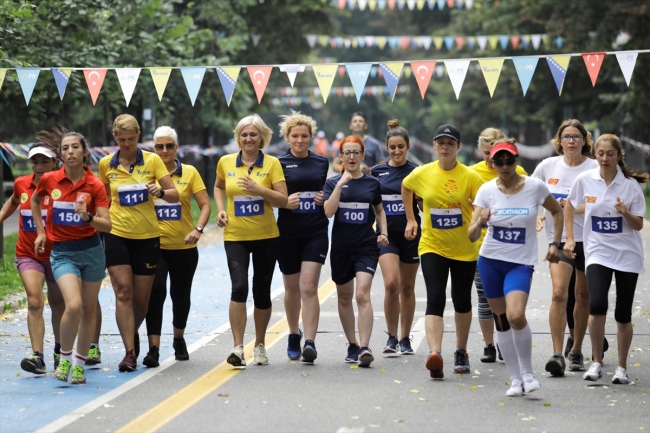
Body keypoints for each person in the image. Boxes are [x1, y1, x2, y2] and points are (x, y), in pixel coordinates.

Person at [469, 141, 563, 396]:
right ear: (492, 163)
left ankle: (528, 374)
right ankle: (514, 380)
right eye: (498, 162)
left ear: (516, 160)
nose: (504, 166)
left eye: (509, 161)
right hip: (489, 261)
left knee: (516, 316)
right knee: (501, 321)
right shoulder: (486, 190)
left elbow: (557, 211)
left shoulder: (534, 187)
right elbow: (470, 234)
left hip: (520, 263)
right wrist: (481, 221)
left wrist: (555, 243)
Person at [99, 114, 179, 372]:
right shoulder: (105, 164)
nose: (126, 144)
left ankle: (131, 334)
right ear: (115, 138)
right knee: (122, 292)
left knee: (141, 302)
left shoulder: (153, 160)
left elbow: (174, 195)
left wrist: (160, 192)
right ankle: (129, 352)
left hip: (146, 237)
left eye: (131, 139)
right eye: (121, 140)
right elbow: (102, 200)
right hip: (117, 234)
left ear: (138, 136)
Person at [565, 134, 647, 384]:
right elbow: (569, 204)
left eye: (610, 154)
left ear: (618, 156)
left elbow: (638, 224)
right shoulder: (585, 179)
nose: (604, 158)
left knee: (623, 313)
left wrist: (625, 213)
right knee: (597, 304)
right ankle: (597, 361)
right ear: (595, 154)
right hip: (597, 251)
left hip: (626, 255)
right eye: (600, 153)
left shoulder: (630, 186)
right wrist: (569, 238)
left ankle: (622, 367)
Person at [402, 124, 483, 378]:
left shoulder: (471, 177)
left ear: (458, 147)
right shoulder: (422, 173)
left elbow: (483, 205)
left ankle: (461, 351)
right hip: (432, 245)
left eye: (450, 143)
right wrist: (411, 219)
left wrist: (477, 213)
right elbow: (406, 187)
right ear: (434, 146)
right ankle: (434, 353)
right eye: (441, 143)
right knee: (435, 298)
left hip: (464, 248)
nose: (445, 147)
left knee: (462, 300)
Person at [32, 130, 111, 384]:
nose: (70, 152)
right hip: (63, 252)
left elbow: (107, 225)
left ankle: (79, 363)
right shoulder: (50, 180)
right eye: (65, 149)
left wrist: (87, 217)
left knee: (89, 309)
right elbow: (35, 201)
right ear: (60, 154)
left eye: (75, 147)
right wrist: (41, 231)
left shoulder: (95, 185)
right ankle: (64, 358)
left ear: (84, 152)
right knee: (73, 305)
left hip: (91, 250)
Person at [215, 114, 287, 367]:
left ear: (262, 138)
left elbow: (283, 200)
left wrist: (259, 190)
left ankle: (259, 345)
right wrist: (221, 209)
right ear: (238, 137)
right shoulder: (225, 162)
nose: (248, 139)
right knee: (239, 288)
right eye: (244, 134)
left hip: (266, 236)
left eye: (253, 134)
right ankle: (237, 347)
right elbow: (220, 186)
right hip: (236, 236)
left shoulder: (272, 164)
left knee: (261, 292)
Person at [531, 119, 601, 377]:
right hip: (558, 239)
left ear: (584, 140)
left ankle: (577, 350)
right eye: (566, 136)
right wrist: (538, 214)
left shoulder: (594, 167)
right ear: (559, 141)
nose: (571, 141)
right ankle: (557, 353)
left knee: (583, 297)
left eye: (576, 136)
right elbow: (531, 192)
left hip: (591, 240)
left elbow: (603, 198)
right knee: (559, 293)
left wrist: (573, 206)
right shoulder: (548, 166)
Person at [142, 127, 211, 367]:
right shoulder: (146, 172)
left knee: (180, 296)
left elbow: (205, 205)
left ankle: (179, 339)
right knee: (155, 294)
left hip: (184, 247)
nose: (164, 151)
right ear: (153, 148)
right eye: (159, 146)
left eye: (168, 146)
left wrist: (198, 229)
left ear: (176, 147)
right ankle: (153, 348)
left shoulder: (189, 172)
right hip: (154, 246)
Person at [324, 136, 389, 367]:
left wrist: (383, 231)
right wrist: (341, 184)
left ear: (363, 155)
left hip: (366, 247)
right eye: (347, 153)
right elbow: (328, 212)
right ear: (341, 156)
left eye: (356, 152)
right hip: (341, 248)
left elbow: (380, 210)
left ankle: (364, 346)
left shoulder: (372, 183)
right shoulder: (333, 183)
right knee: (344, 297)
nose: (351, 157)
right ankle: (352, 344)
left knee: (362, 293)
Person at [0, 141, 64, 375]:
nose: (39, 166)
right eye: (35, 161)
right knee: (35, 301)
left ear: (55, 162)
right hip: (29, 254)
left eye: (45, 161)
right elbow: (14, 201)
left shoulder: (63, 186)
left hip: (59, 255)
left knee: (59, 303)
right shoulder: (21, 184)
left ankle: (60, 351)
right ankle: (38, 356)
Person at [470, 127, 528, 363]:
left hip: (513, 246)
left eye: (491, 152)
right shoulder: (472, 173)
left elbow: (530, 199)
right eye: (485, 153)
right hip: (482, 247)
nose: (489, 158)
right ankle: (489, 345)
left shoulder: (519, 171)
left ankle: (507, 342)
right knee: (485, 298)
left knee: (509, 300)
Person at [277, 112, 329, 363]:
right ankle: (292, 334)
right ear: (287, 137)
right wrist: (284, 203)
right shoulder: (278, 163)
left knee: (308, 286)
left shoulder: (321, 162)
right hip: (287, 232)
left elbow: (324, 191)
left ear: (310, 137)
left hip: (315, 231)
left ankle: (310, 341)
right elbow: (272, 195)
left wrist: (323, 198)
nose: (299, 140)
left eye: (304, 136)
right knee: (291, 289)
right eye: (295, 136)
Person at [371, 120, 420, 355]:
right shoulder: (378, 171)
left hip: (411, 235)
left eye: (401, 147)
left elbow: (425, 201)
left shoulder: (416, 172)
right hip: (385, 235)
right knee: (391, 284)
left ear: (408, 146)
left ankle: (405, 338)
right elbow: (369, 201)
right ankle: (391, 337)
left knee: (407, 288)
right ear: (387, 148)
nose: (397, 151)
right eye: (392, 147)